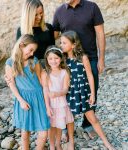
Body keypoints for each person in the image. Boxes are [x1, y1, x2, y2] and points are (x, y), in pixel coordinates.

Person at [53, 0, 105, 139]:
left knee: (92, 91)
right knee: (66, 92)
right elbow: (54, 37)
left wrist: (101, 59)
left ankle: (87, 124)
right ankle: (65, 127)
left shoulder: (92, 7)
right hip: (67, 61)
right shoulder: (59, 11)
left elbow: (100, 33)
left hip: (90, 58)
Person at [60, 30, 115, 150]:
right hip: (70, 93)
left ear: (73, 45)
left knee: (93, 118)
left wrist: (93, 94)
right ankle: (71, 142)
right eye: (61, 43)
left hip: (84, 91)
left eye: (64, 43)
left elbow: (90, 76)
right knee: (70, 119)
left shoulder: (83, 57)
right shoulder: (63, 60)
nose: (61, 45)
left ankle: (106, 143)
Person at [5, 34, 50, 150]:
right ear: (21, 46)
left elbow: (42, 81)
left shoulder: (34, 61)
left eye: (33, 51)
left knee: (44, 132)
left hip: (38, 97)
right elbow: (12, 84)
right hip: (23, 99)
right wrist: (21, 101)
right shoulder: (10, 63)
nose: (32, 53)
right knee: (25, 133)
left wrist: (48, 101)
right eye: (30, 50)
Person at [41, 46, 74, 150]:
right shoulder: (45, 72)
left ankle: (58, 143)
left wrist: (57, 94)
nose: (53, 61)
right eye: (50, 59)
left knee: (59, 124)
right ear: (47, 59)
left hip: (62, 103)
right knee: (51, 126)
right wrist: (47, 107)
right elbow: (45, 90)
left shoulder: (65, 72)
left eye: (56, 58)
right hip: (50, 104)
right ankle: (51, 145)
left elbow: (65, 89)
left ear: (61, 58)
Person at [17, 0, 55, 68]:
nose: (39, 17)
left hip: (48, 67)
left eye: (41, 13)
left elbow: (53, 50)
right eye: (35, 14)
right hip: (31, 68)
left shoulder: (48, 28)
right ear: (28, 15)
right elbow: (17, 54)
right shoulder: (21, 31)